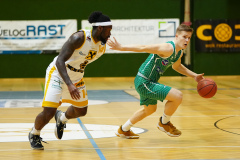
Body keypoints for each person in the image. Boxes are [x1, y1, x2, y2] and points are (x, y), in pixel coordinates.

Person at [28, 11, 112, 150]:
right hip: (58, 73)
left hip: (77, 77)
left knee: (81, 111)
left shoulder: (102, 46)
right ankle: (34, 133)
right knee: (49, 111)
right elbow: (60, 60)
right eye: (109, 30)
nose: (110, 34)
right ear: (100, 28)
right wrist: (69, 84)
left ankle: (62, 118)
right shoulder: (79, 38)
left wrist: (74, 82)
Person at [107, 24, 204, 139]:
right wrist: (121, 47)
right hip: (144, 81)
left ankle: (123, 130)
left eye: (189, 38)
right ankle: (164, 123)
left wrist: (194, 76)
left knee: (149, 110)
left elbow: (177, 67)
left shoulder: (179, 52)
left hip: (148, 81)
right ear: (177, 36)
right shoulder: (167, 48)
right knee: (177, 96)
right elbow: (143, 47)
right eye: (184, 37)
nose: (187, 40)